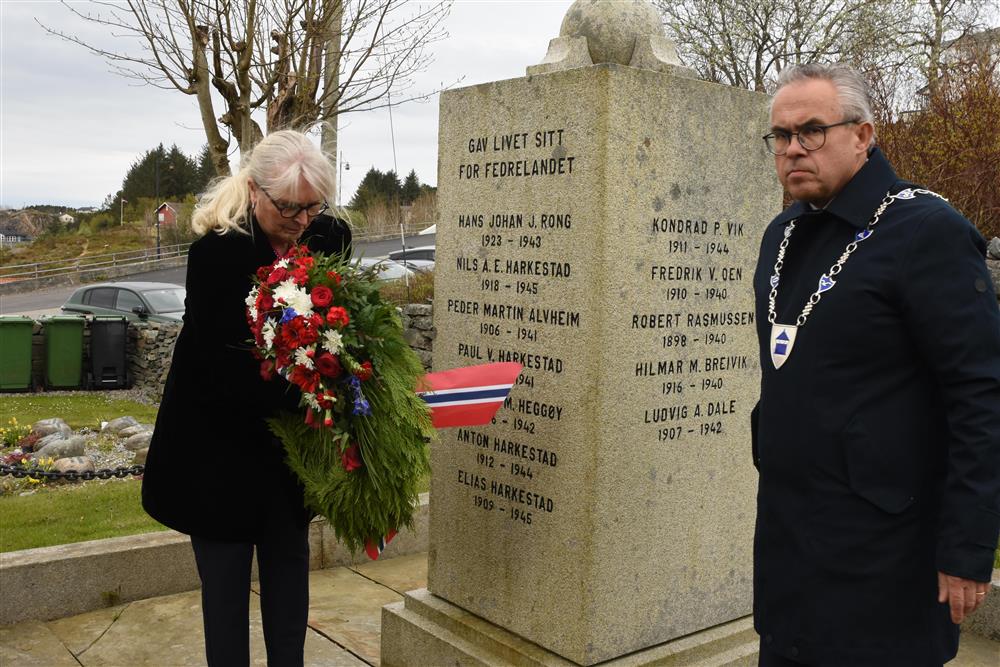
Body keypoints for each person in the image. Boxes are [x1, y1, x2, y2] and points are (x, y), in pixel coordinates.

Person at [751, 63, 1000, 666]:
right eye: (781, 136)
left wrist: (966, 547)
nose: (793, 150)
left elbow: (981, 394)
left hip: (884, 551)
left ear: (863, 135)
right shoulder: (782, 232)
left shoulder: (926, 232)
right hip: (789, 541)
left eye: (812, 131)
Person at [142, 129, 351, 666]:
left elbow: (348, 325)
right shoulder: (217, 253)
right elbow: (224, 362)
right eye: (288, 208)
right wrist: (312, 389)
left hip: (286, 451)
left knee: (288, 576)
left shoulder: (328, 238)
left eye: (312, 207)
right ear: (255, 191)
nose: (301, 221)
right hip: (216, 446)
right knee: (226, 590)